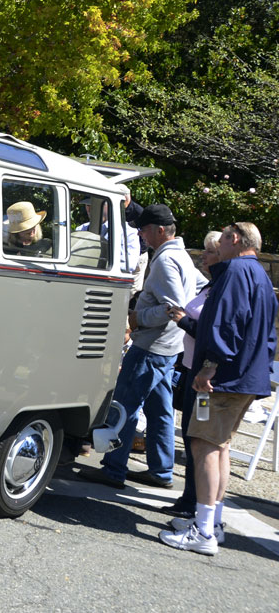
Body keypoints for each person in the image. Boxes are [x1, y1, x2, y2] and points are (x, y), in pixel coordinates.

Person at [159, 222, 278, 555]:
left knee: (206, 447)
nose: (217, 247)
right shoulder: (261, 276)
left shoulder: (235, 272)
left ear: (234, 239)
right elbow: (267, 336)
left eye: (222, 239)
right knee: (220, 447)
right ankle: (212, 524)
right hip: (245, 379)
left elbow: (227, 323)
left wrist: (210, 365)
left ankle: (203, 532)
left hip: (222, 379)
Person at [80, 204, 206, 490]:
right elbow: (202, 289)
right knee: (160, 410)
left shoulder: (164, 260)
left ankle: (113, 469)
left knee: (124, 406)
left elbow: (173, 306)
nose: (141, 235)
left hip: (152, 346)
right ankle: (161, 471)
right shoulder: (182, 257)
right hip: (169, 346)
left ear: (160, 230)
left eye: (145, 230)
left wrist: (137, 319)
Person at [164, 230, 223, 518]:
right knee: (190, 437)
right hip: (189, 369)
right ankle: (190, 499)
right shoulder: (209, 285)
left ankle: (195, 503)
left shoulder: (221, 288)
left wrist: (183, 321)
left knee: (197, 440)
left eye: (210, 252)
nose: (203, 257)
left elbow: (213, 333)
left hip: (202, 376)